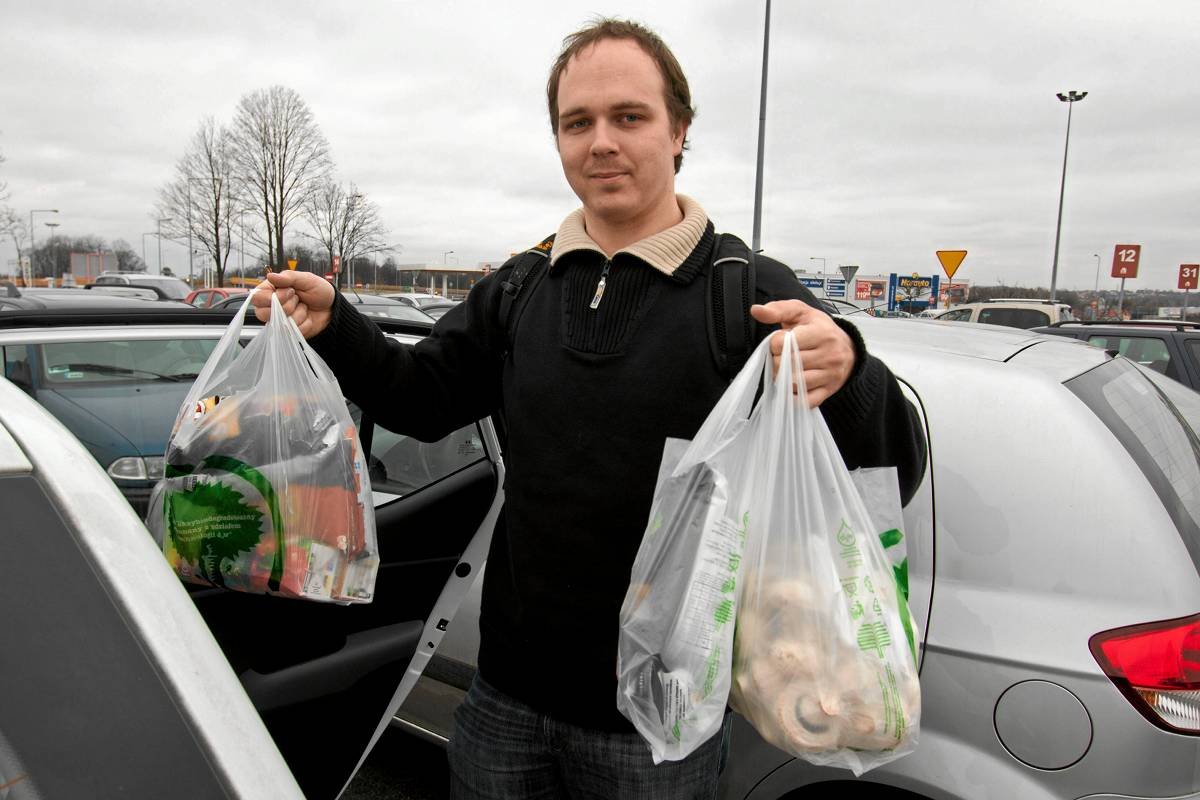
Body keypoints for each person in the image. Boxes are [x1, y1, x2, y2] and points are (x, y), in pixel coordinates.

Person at [253, 18, 925, 800]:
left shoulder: (744, 291)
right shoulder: (521, 287)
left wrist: (847, 370)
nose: (601, 142)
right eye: (578, 123)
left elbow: (892, 468)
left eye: (629, 117)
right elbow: (424, 399)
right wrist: (337, 322)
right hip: (504, 699)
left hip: (657, 727)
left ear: (679, 132)